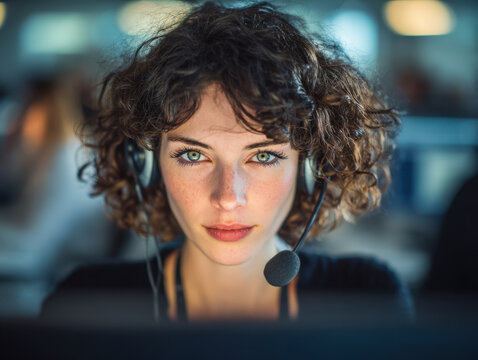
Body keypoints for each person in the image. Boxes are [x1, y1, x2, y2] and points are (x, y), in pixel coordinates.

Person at [41, 1, 412, 323]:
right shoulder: (83, 304)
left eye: (263, 156)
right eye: (193, 155)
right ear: (147, 163)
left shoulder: (368, 299)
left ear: (311, 167)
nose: (228, 197)